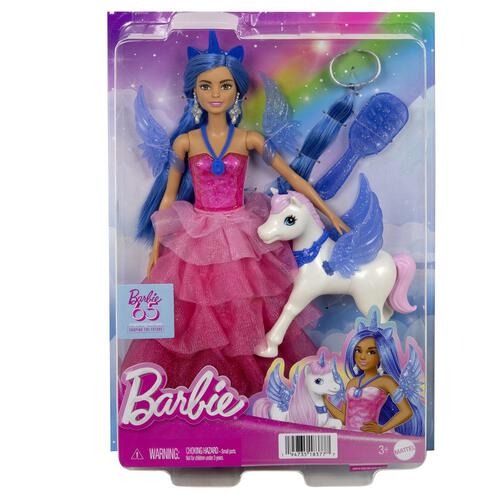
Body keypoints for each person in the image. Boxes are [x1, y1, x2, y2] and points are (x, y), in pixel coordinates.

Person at [121, 31, 348, 396]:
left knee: (247, 312)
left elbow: (293, 178)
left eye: (224, 86)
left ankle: (256, 397)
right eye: (206, 86)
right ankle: (195, 397)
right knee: (194, 316)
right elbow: (168, 198)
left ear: (238, 92)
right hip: (197, 233)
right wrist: (156, 248)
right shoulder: (185, 142)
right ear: (193, 92)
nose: (215, 94)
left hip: (241, 233)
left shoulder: (249, 139)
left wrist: (326, 214)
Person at [323, 310, 424, 435]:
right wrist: (325, 401)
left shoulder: (386, 381)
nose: (362, 356)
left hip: (370, 437)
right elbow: (344, 419)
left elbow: (406, 411)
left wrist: (382, 428)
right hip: (350, 434)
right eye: (358, 350)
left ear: (381, 354)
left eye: (371, 352)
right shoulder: (352, 383)